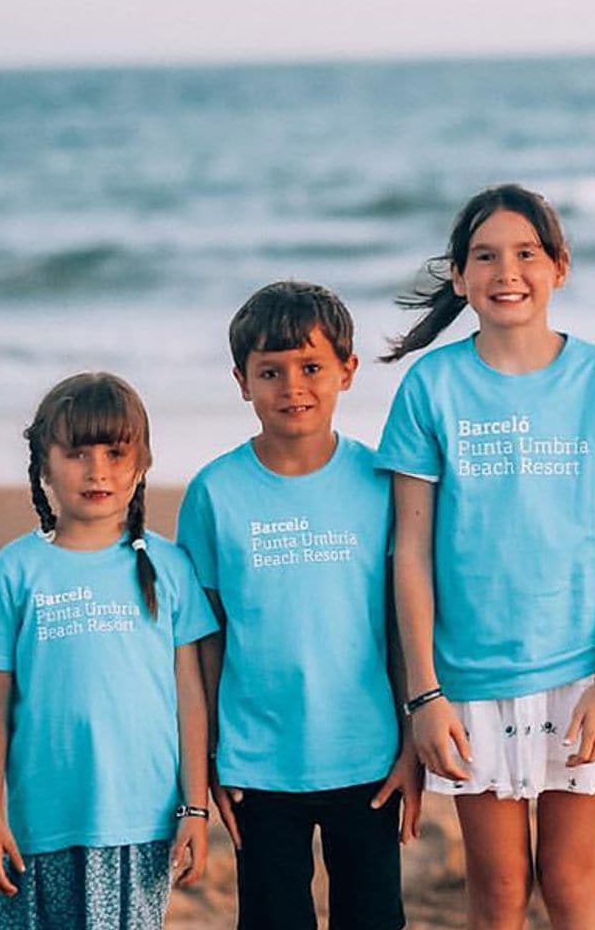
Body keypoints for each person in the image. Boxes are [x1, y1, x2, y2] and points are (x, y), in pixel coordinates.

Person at [378, 185, 595, 929]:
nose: (508, 271)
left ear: (559, 267)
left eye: (527, 253)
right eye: (486, 256)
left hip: (580, 671)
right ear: (461, 276)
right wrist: (425, 695)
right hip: (469, 680)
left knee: (572, 882)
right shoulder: (431, 386)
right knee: (497, 892)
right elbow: (409, 550)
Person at [179, 280, 420, 930]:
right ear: (242, 381)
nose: (293, 387)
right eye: (271, 372)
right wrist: (208, 758)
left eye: (311, 367)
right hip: (258, 765)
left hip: (368, 755)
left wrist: (410, 745)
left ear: (347, 370)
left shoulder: (380, 483)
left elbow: (401, 628)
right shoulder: (214, 494)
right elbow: (204, 642)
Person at [0, 372, 218, 930]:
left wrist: (195, 807)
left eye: (115, 452)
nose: (98, 470)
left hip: (141, 822)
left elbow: (190, 698)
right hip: (40, 823)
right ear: (44, 464)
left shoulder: (169, 568)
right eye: (77, 453)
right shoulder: (15, 570)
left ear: (142, 462)